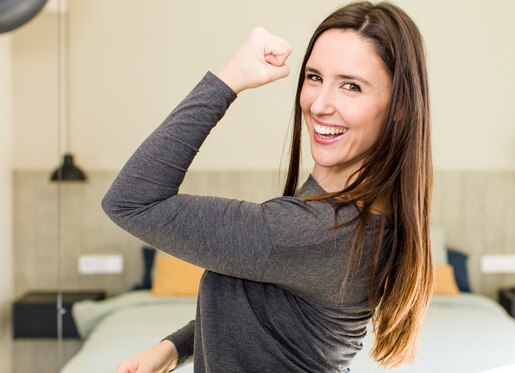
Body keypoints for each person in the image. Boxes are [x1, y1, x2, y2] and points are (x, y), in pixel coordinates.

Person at [102, 1, 433, 372]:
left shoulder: (307, 230)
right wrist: (174, 348)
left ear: (399, 106)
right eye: (314, 77)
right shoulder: (363, 216)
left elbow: (131, 201)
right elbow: (271, 318)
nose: (319, 104)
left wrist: (229, 80)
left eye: (351, 86)